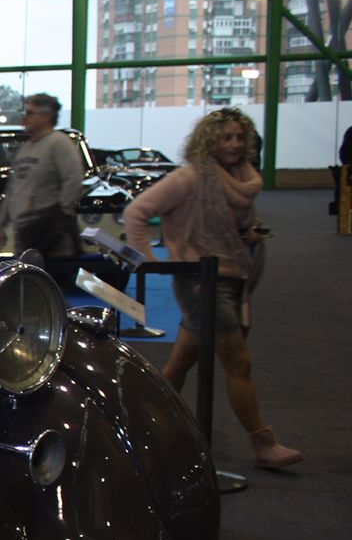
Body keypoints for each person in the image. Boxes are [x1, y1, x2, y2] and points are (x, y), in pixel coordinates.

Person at [124, 107, 301, 469]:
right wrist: (148, 259)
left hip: (233, 277)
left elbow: (228, 230)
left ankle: (134, 428)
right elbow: (137, 212)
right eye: (226, 137)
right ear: (209, 140)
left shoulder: (241, 179)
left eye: (240, 137)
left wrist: (248, 235)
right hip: (201, 284)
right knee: (238, 361)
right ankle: (264, 445)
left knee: (180, 363)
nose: (235, 144)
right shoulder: (189, 178)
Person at [0, 93, 83, 259]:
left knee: (53, 283)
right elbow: (13, 189)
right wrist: (0, 226)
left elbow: (73, 179)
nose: (25, 118)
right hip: (25, 232)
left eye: (30, 113)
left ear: (47, 116)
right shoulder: (26, 148)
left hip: (52, 237)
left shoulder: (59, 143)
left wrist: (59, 213)